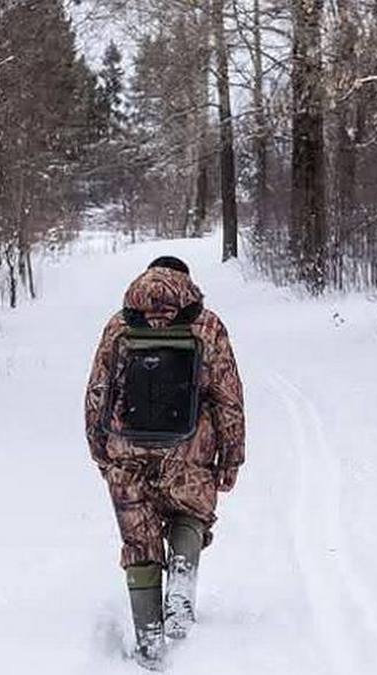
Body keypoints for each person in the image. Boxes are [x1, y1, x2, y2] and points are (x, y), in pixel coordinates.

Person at [84, 255, 245, 669]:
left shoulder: (120, 326)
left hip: (126, 449)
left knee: (139, 540)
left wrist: (101, 452)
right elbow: (228, 396)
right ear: (186, 283)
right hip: (189, 445)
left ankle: (149, 642)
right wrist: (231, 457)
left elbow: (97, 393)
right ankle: (181, 580)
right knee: (190, 514)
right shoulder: (206, 325)